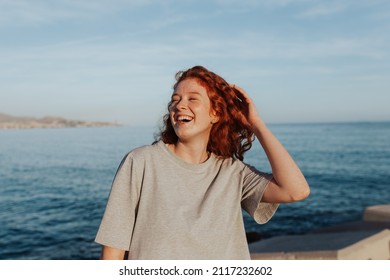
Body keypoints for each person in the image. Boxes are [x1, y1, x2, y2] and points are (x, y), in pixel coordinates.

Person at [95, 65, 310, 260]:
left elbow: (295, 191)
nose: (179, 106)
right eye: (175, 99)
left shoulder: (232, 172)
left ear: (215, 113)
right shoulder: (140, 162)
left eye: (192, 99)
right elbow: (113, 248)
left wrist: (256, 124)